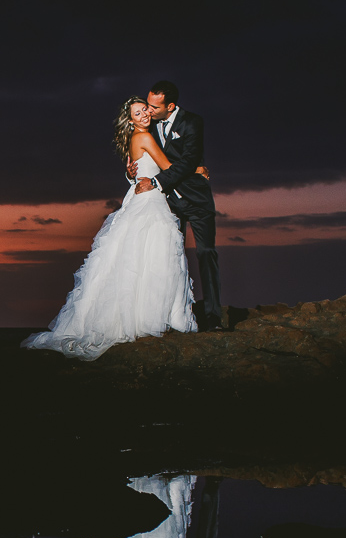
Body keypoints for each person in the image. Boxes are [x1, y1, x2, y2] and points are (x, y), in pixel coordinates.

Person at [21, 96, 196, 360]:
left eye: (145, 110)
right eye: (137, 114)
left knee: (134, 258)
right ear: (132, 119)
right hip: (149, 201)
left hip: (137, 198)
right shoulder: (145, 137)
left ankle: (140, 318)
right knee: (155, 256)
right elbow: (169, 167)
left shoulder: (135, 139)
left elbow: (134, 171)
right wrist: (198, 169)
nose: (144, 116)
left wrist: (130, 173)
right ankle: (154, 319)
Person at [129, 81, 223, 331]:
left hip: (196, 199)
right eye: (146, 105)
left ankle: (213, 317)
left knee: (206, 254)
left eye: (153, 106)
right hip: (167, 203)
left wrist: (158, 181)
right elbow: (144, 160)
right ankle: (173, 317)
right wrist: (132, 174)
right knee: (169, 259)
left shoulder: (192, 122)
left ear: (170, 106)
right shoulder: (147, 128)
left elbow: (187, 160)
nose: (148, 111)